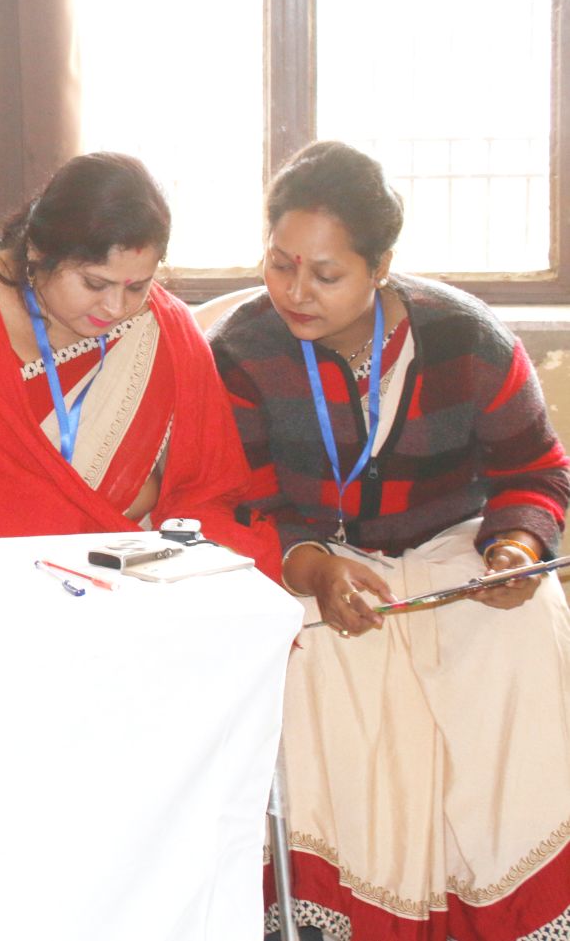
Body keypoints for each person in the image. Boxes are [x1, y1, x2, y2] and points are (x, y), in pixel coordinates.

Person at [207, 141, 570, 940]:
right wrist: (313, 568)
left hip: (454, 550)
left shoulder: (467, 340)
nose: (295, 291)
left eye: (325, 273)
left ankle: (508, 910)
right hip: (313, 560)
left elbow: (536, 470)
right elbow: (242, 499)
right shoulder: (242, 351)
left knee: (524, 628)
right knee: (314, 649)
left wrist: (515, 547)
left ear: (381, 268)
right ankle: (334, 915)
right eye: (279, 264)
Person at [0, 153, 273, 559]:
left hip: (112, 575)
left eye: (137, 287)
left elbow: (208, 495)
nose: (115, 308)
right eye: (95, 284)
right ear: (38, 251)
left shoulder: (162, 331)